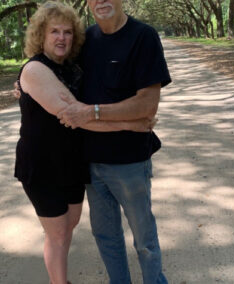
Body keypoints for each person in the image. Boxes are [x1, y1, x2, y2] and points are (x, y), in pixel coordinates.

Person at [14, 2, 155, 284]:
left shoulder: (70, 66)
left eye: (67, 32)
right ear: (40, 35)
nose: (61, 37)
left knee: (69, 226)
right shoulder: (36, 70)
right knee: (57, 233)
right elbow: (77, 116)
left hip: (73, 161)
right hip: (43, 165)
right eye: (54, 31)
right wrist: (134, 123)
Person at [56, 0, 172, 283]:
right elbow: (51, 67)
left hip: (130, 162)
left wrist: (92, 112)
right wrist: (24, 82)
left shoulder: (143, 37)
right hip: (90, 161)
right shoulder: (84, 40)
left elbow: (147, 104)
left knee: (143, 238)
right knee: (106, 235)